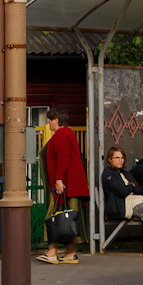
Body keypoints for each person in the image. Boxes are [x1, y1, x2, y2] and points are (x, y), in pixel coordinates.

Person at [40, 108, 86, 265]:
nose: (49, 122)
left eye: (50, 119)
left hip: (65, 184)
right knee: (67, 217)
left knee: (55, 215)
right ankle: (70, 253)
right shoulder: (69, 133)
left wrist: (58, 179)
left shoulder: (61, 134)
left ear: (57, 120)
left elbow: (63, 158)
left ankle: (52, 252)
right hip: (71, 184)